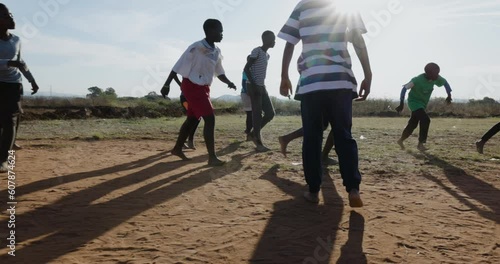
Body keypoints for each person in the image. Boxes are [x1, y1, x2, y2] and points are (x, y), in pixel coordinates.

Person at [278, 1, 372, 207]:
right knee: (343, 135)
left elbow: (290, 42)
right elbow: (357, 40)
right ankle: (353, 188)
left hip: (312, 82)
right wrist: (368, 74)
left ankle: (313, 191)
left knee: (312, 137)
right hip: (341, 80)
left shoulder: (303, 6)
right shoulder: (347, 6)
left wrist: (284, 75)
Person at [161, 19, 236, 166]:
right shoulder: (196, 47)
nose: (222, 34)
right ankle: (212, 157)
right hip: (192, 86)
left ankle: (177, 148)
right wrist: (167, 84)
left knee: (193, 119)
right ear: (210, 31)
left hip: (204, 87)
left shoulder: (216, 52)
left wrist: (229, 83)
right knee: (210, 118)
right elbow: (178, 65)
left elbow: (219, 72)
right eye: (219, 31)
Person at [0, 4, 39, 173]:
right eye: (7, 16)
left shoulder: (16, 40)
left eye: (11, 15)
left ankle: (3, 160)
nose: (12, 18)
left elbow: (21, 63)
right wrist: (8, 62)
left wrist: (32, 80)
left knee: (10, 120)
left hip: (14, 85)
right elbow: (13, 62)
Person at [396, 63, 453, 151]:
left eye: (438, 73)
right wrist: (401, 103)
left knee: (412, 124)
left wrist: (449, 95)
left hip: (422, 104)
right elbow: (404, 89)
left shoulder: (435, 78)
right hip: (413, 102)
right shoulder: (417, 80)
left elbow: (445, 83)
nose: (438, 75)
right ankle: (420, 144)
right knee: (426, 119)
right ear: (428, 73)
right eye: (435, 73)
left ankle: (401, 140)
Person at [244, 31, 276, 152]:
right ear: (266, 39)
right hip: (253, 86)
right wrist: (253, 84)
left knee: (270, 113)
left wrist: (260, 86)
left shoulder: (267, 55)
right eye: (272, 39)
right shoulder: (256, 51)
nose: (274, 42)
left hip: (261, 86)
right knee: (257, 115)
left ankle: (253, 134)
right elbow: (246, 68)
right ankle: (258, 142)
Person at [240, 71, 253, 141]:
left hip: (251, 93)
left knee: (251, 114)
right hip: (247, 94)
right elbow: (243, 82)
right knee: (250, 114)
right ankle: (249, 132)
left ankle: (249, 132)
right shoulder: (247, 70)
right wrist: (248, 92)